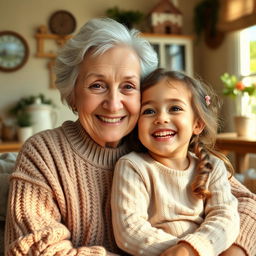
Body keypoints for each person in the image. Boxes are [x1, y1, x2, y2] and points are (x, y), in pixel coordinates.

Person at [4, 18, 256, 256]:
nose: (114, 104)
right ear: (73, 95)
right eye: (97, 85)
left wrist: (206, 249)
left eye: (128, 86)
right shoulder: (44, 152)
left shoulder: (160, 145)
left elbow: (246, 205)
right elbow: (37, 250)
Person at [110, 69, 246, 256]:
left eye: (174, 108)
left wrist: (192, 249)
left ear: (197, 124)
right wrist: (179, 251)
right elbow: (130, 231)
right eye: (149, 111)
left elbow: (225, 218)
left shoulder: (213, 167)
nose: (161, 118)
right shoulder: (132, 166)